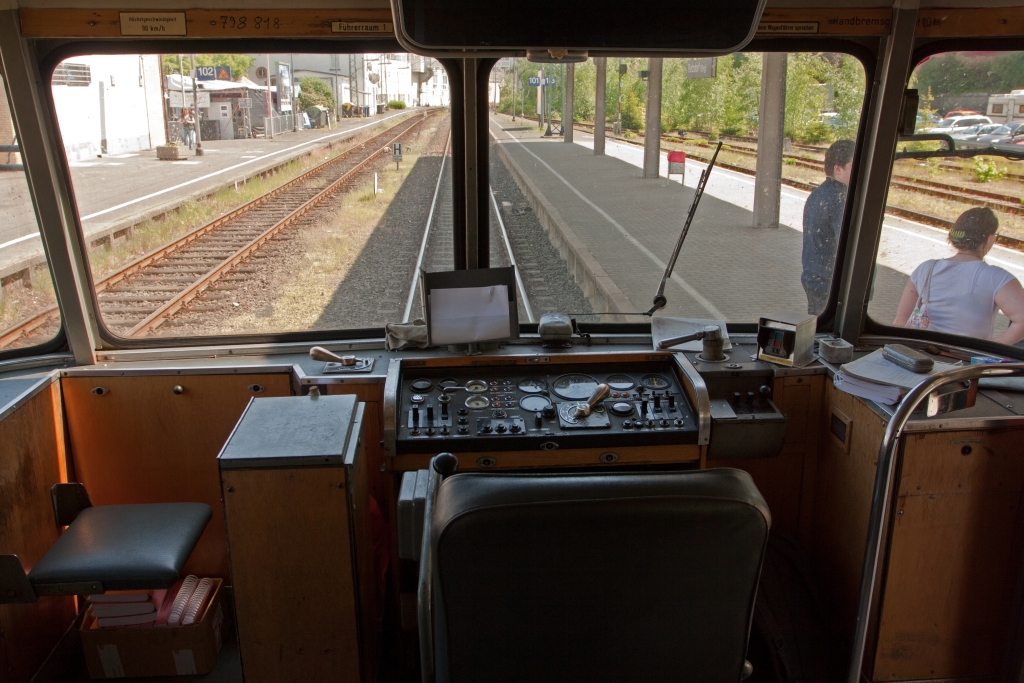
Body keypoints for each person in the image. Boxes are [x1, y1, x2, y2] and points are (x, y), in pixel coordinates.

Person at [893, 207, 1024, 345]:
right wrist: (988, 347)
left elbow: (900, 322)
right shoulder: (997, 277)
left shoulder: (925, 268)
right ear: (990, 238)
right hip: (965, 355)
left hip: (922, 350)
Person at [801, 139, 856, 315]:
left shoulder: (817, 193)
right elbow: (850, 245)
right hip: (834, 286)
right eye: (855, 165)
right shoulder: (842, 199)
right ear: (838, 169)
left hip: (814, 278)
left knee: (818, 327)